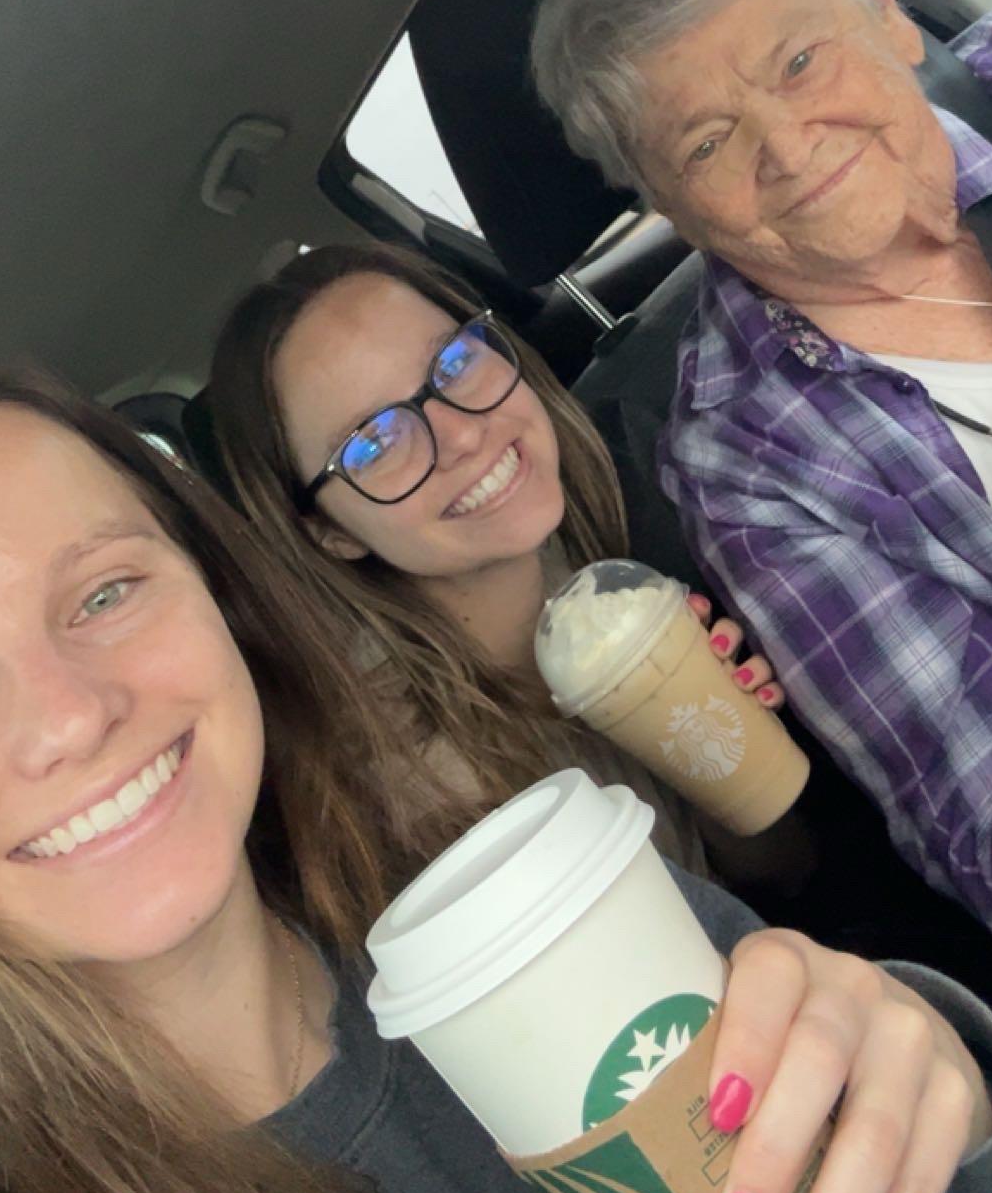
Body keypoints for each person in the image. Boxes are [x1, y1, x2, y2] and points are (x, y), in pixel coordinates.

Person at [0, 347, 992, 1193]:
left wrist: (976, 1156)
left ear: (220, 593)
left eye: (106, 592)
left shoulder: (561, 926)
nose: (71, 715)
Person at [531, 0, 992, 974]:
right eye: (706, 143)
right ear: (667, 207)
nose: (786, 147)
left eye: (797, 60)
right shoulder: (743, 456)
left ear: (881, 7)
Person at [209, 240, 797, 912]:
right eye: (373, 442)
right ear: (329, 532)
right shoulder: (413, 796)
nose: (461, 434)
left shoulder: (642, 530)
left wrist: (727, 755)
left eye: (454, 362)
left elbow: (779, 876)